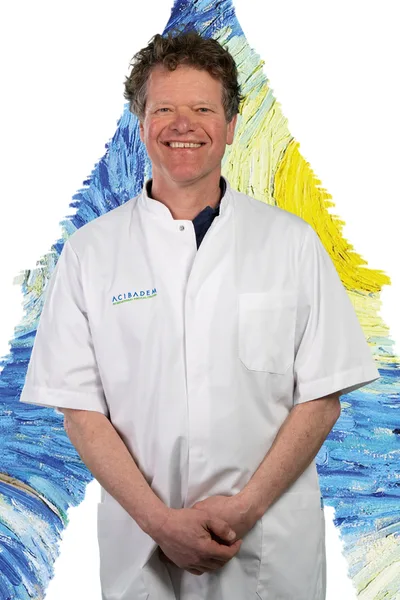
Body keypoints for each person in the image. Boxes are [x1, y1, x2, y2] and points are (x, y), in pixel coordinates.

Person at [20, 30, 380, 600]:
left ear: (231, 125)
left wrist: (245, 509)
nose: (182, 124)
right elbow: (81, 412)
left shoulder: (291, 244)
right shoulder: (90, 253)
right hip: (144, 548)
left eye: (203, 109)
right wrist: (160, 524)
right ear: (141, 123)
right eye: (164, 109)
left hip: (268, 550)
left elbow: (321, 397)